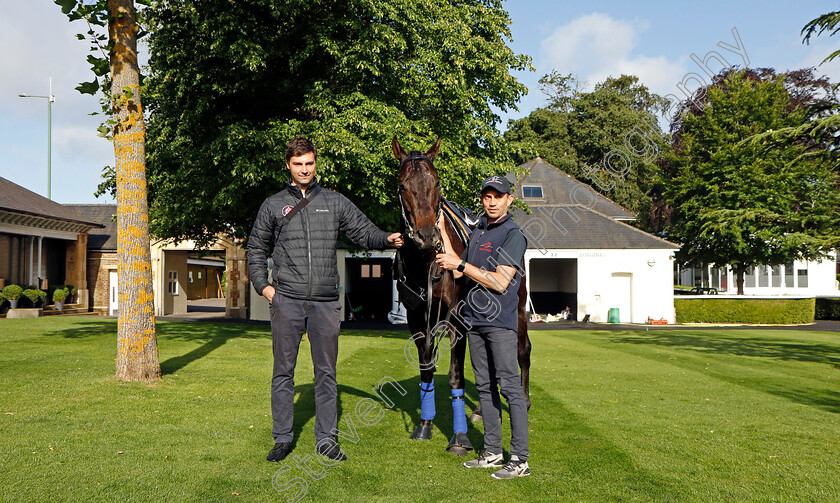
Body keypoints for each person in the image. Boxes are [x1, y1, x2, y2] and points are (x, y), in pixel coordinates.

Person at [247, 137, 403, 463]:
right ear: (288, 166)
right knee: (283, 373)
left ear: (316, 164)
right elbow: (256, 251)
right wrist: (265, 288)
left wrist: (387, 238)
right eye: (298, 164)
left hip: (325, 304)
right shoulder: (273, 205)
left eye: (309, 163)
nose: (304, 169)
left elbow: (363, 232)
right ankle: (282, 438)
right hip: (286, 300)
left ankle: (327, 440)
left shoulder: (334, 202)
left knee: (326, 374)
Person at [435, 174, 531, 479]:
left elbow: (501, 282)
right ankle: (492, 452)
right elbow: (460, 272)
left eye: (498, 197)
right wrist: (441, 230)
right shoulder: (479, 233)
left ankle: (519, 459)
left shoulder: (513, 234)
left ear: (508, 200)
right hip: (474, 322)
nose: (491, 202)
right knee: (486, 387)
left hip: (500, 323)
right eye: (487, 197)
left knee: (510, 388)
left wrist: (461, 265)